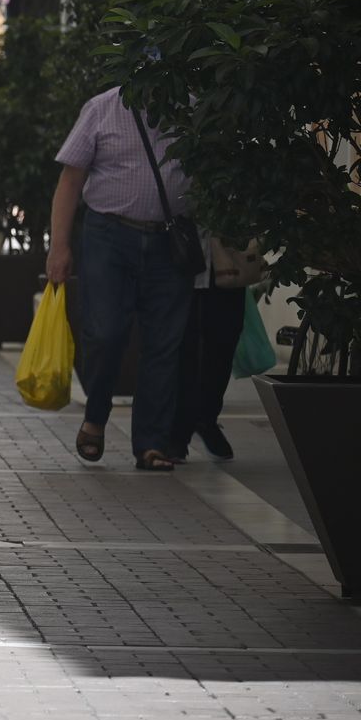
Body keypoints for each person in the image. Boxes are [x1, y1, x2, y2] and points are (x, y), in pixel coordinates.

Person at [48, 86, 193, 472]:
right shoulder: (102, 109)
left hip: (170, 240)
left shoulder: (195, 110)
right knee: (106, 331)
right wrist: (58, 247)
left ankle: (151, 444)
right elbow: (70, 182)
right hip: (109, 237)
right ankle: (96, 416)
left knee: (164, 342)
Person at [169, 239, 247, 462]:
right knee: (183, 346)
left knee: (224, 339)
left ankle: (207, 417)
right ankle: (178, 432)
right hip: (181, 250)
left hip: (225, 255)